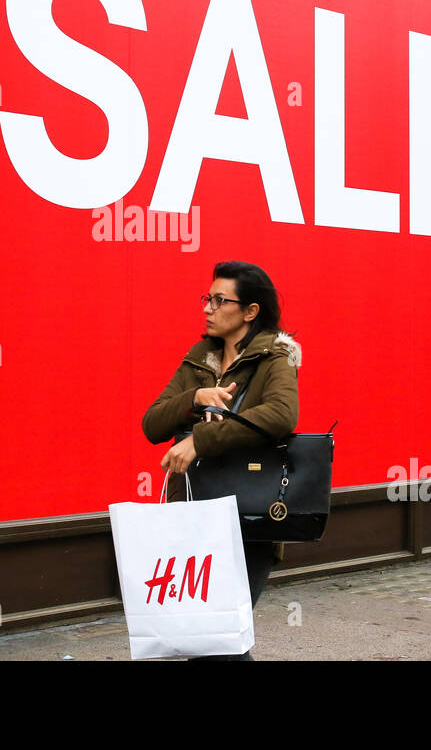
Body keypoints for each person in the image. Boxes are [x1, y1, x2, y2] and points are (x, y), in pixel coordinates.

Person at [141, 259, 301, 661]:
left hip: (251, 516)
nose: (207, 308)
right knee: (206, 640)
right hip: (196, 516)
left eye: (219, 300)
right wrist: (195, 398)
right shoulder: (201, 358)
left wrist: (202, 438)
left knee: (219, 639)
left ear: (250, 311)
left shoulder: (274, 359)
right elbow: (152, 423)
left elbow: (282, 414)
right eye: (206, 299)